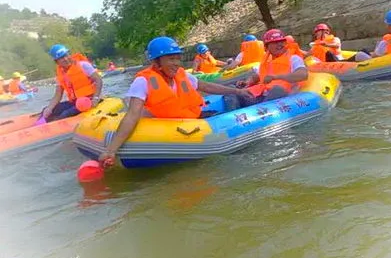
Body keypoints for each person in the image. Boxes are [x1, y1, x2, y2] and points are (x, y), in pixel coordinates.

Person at [98, 36, 253, 167]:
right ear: (156, 62)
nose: (177, 63)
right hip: (171, 129)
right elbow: (132, 115)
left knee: (231, 102)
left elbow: (205, 86)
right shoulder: (142, 81)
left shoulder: (181, 74)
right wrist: (111, 150)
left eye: (178, 59)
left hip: (196, 120)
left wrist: (236, 90)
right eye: (171, 59)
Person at [225, 29, 308, 109]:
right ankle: (230, 115)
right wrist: (247, 82)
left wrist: (275, 77)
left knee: (277, 89)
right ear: (267, 47)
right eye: (275, 42)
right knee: (231, 88)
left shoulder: (293, 58)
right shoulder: (266, 61)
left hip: (280, 97)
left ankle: (260, 112)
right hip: (261, 97)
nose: (280, 44)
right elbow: (258, 76)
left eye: (282, 41)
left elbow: (303, 75)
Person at [42, 44, 103, 122]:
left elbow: (98, 80)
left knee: (65, 114)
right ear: (56, 62)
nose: (66, 59)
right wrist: (49, 108)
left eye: (66, 55)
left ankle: (56, 125)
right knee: (50, 110)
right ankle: (42, 125)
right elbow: (58, 94)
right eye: (61, 58)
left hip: (89, 100)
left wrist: (96, 98)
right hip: (75, 102)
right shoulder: (60, 74)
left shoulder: (83, 65)